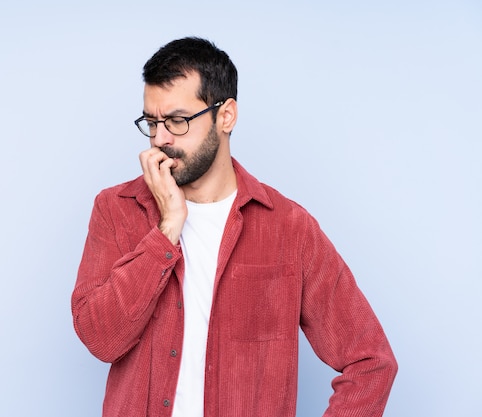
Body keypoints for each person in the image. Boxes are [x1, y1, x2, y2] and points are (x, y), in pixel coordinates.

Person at [71, 37, 397, 417]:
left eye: (177, 121)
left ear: (225, 116)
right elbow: (101, 339)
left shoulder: (289, 228)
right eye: (152, 122)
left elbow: (371, 362)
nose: (160, 139)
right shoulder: (117, 209)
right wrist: (168, 227)